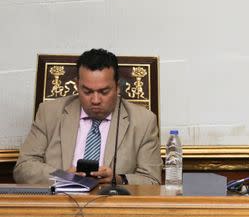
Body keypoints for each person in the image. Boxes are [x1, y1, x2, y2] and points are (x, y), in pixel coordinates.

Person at [14, 49, 162, 186]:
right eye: (87, 91)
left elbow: (152, 179)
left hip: (113, 207)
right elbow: (23, 168)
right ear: (77, 85)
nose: (95, 100)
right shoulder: (49, 113)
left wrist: (117, 179)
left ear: (117, 87)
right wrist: (62, 176)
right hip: (60, 203)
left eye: (104, 91)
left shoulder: (143, 121)